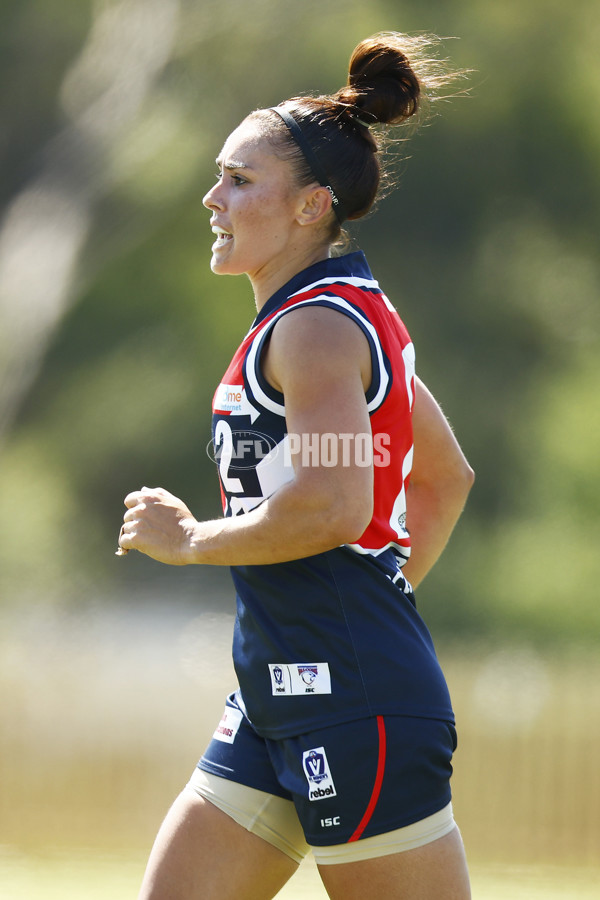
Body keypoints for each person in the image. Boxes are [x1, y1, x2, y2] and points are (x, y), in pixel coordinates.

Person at [118, 31, 474, 900]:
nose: (214, 197)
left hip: (349, 701)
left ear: (314, 206)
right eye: (221, 174)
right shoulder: (335, 315)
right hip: (283, 695)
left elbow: (334, 506)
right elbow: (442, 478)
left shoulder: (314, 328)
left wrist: (191, 540)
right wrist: (362, 609)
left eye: (241, 180)